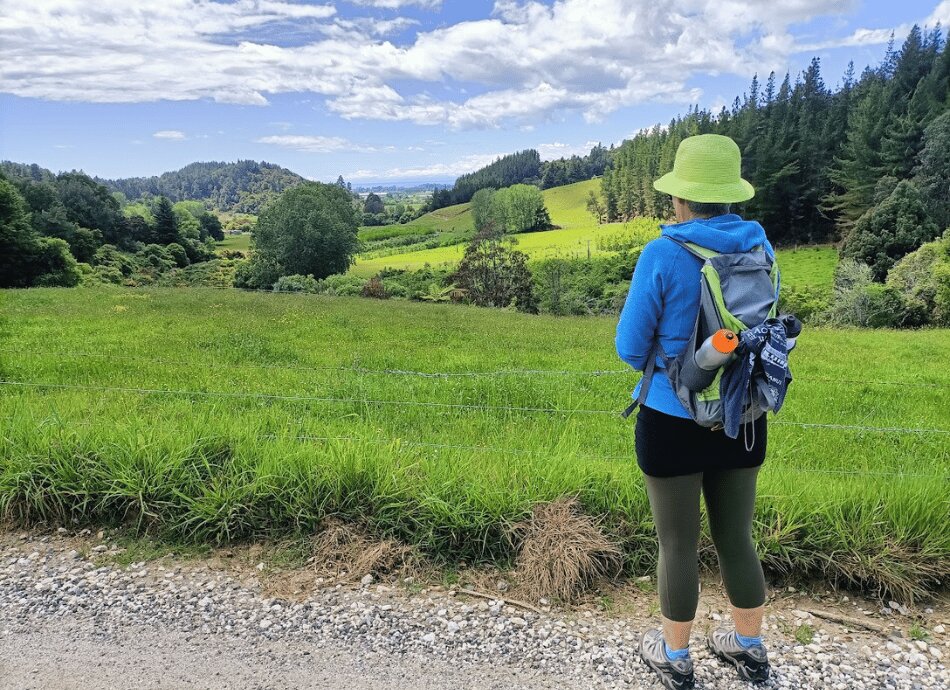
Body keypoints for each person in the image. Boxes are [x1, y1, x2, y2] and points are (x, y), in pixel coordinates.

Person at [616, 134, 774, 690]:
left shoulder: (663, 253)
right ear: (731, 197)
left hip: (671, 419)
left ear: (681, 200)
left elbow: (630, 349)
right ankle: (749, 649)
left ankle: (675, 658)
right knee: (737, 537)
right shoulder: (761, 247)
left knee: (677, 544)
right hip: (744, 415)